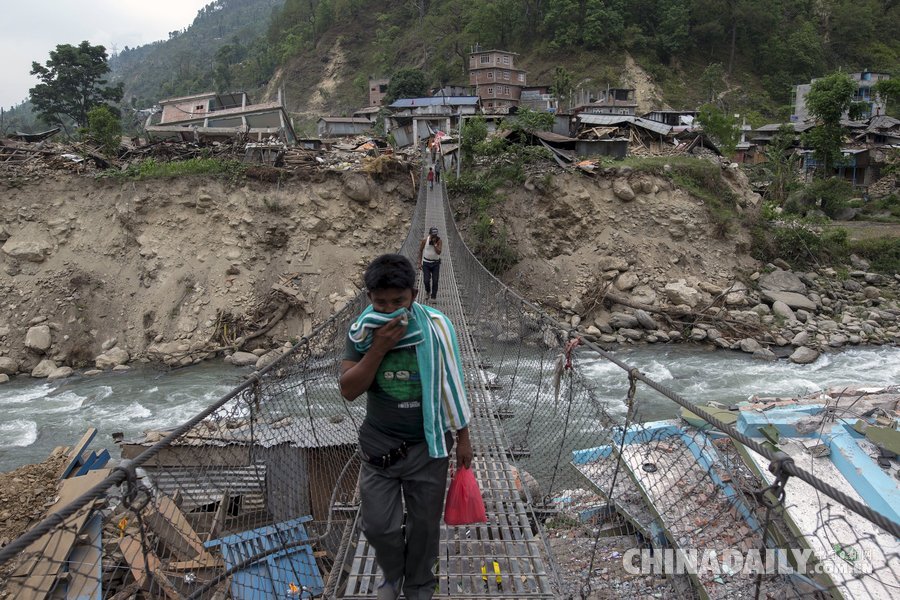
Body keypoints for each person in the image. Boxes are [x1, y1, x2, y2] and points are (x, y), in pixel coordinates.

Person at [340, 254, 473, 600]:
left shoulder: (439, 326)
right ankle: (393, 574)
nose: (388, 310)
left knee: (425, 527)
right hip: (379, 448)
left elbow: (453, 382)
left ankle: (419, 585)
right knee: (378, 526)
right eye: (380, 302)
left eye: (397, 301)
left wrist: (463, 438)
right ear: (369, 298)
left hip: (429, 446)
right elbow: (349, 390)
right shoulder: (362, 332)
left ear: (413, 294)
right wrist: (379, 348)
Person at [418, 227, 442, 301]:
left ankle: (433, 297)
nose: (434, 237)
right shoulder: (425, 241)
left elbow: (439, 252)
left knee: (435, 280)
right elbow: (420, 250)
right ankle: (428, 291)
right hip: (426, 263)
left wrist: (435, 244)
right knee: (426, 280)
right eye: (433, 235)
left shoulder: (439, 241)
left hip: (435, 264)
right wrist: (419, 262)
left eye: (435, 235)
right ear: (430, 234)